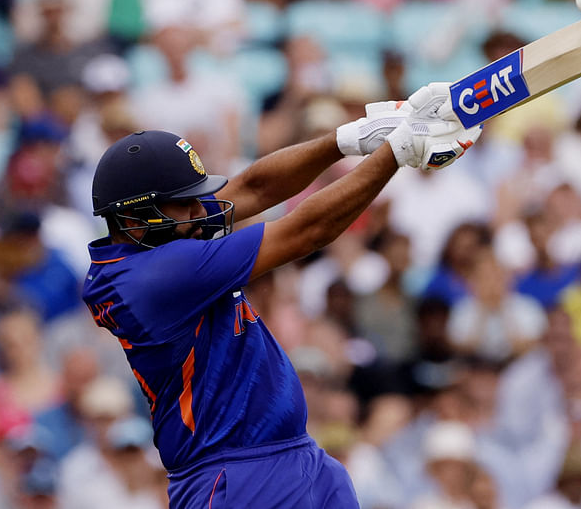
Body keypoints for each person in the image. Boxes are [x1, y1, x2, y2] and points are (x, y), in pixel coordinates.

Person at [82, 83, 480, 507]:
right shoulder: (155, 275)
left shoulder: (152, 239)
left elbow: (253, 188)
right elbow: (307, 230)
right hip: (235, 479)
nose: (204, 212)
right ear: (135, 218)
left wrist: (349, 139)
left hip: (297, 460)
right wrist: (393, 154)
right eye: (187, 205)